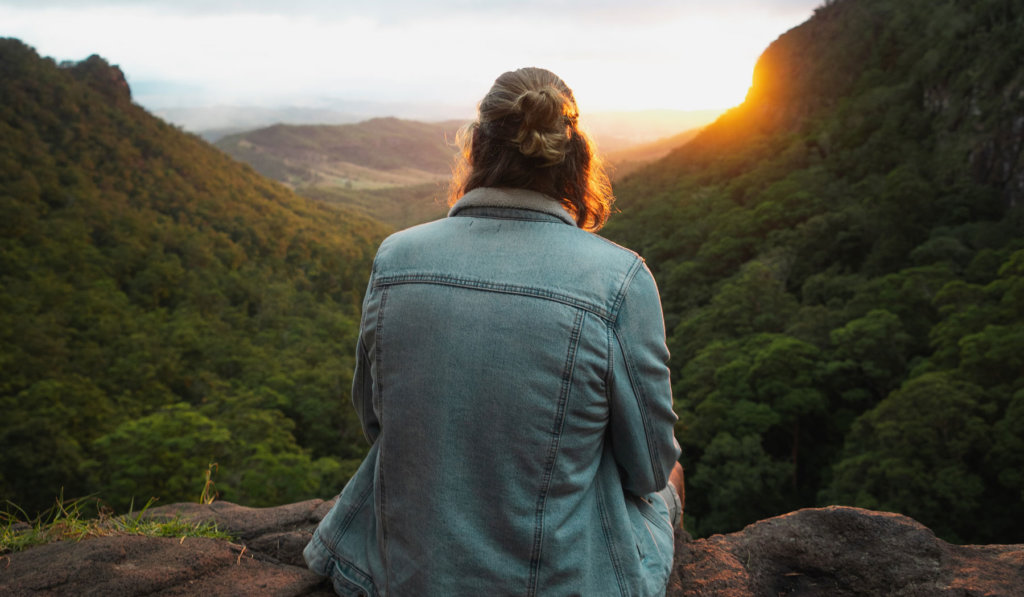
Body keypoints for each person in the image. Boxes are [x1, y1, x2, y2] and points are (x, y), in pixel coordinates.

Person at [305, 67, 683, 597]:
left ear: (477, 147)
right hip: (559, 580)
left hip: (407, 575)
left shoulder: (397, 257)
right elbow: (648, 468)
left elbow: (377, 422)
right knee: (674, 478)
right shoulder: (619, 280)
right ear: (574, 157)